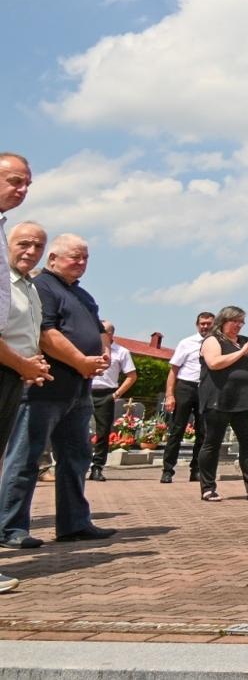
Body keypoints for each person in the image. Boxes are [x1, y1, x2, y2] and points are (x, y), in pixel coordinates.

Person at [0, 233, 114, 550]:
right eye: (73, 257)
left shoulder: (84, 296)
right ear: (53, 259)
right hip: (45, 388)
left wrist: (101, 353)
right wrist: (80, 360)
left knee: (77, 457)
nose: (80, 263)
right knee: (26, 458)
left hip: (78, 390)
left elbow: (99, 329)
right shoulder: (42, 287)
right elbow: (45, 332)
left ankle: (74, 523)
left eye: (85, 258)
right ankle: (10, 527)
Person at [1, 217, 49, 595]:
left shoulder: (28, 286)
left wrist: (29, 365)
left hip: (14, 375)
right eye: (24, 244)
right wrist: (22, 364)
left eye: (38, 246)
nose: (31, 251)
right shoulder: (6, 282)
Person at [195, 306, 248, 502]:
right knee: (212, 443)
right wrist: (242, 353)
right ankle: (208, 488)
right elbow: (214, 363)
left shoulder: (244, 341)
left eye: (242, 322)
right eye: (235, 321)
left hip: (245, 400)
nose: (239, 326)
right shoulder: (213, 340)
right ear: (224, 321)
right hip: (219, 399)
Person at [161, 312, 213, 483]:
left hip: (205, 390)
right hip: (185, 387)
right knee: (177, 430)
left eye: (208, 323)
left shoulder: (216, 344)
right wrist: (170, 395)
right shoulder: (186, 343)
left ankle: (196, 470)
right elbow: (173, 369)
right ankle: (168, 470)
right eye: (202, 323)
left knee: (203, 433)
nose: (205, 326)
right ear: (197, 325)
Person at [87, 322, 136, 481]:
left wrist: (116, 394)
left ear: (111, 334)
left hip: (106, 393)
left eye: (102, 331)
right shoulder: (88, 347)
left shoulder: (122, 352)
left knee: (102, 432)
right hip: (86, 390)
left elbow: (131, 376)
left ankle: (97, 467)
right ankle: (78, 465)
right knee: (78, 429)